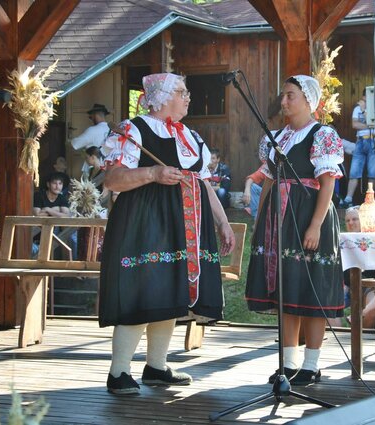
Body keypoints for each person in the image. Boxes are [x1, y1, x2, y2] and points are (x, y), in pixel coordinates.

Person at [98, 73, 235, 395]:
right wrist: (153, 173)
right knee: (143, 289)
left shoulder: (190, 135)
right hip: (146, 221)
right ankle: (119, 372)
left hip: (187, 223)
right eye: (182, 92)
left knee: (170, 290)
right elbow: (113, 180)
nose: (188, 97)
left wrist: (223, 222)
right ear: (160, 97)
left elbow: (202, 182)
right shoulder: (133, 130)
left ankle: (156, 367)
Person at [245, 75, 344, 386]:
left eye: (290, 96)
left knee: (311, 291)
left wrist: (315, 225)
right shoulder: (278, 138)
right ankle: (288, 363)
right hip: (280, 218)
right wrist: (260, 222)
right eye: (284, 96)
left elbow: (327, 183)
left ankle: (311, 364)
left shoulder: (322, 135)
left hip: (309, 215)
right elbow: (271, 179)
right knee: (288, 290)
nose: (284, 102)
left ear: (308, 100)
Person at [341, 89, 375, 208]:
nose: (365, 99)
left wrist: (364, 110)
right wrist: (368, 124)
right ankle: (348, 199)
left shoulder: (374, 108)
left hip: (373, 140)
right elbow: (354, 125)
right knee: (354, 171)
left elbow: (374, 123)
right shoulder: (357, 109)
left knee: (372, 172)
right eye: (365, 96)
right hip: (360, 141)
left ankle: (370, 199)